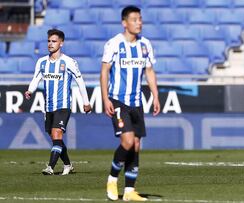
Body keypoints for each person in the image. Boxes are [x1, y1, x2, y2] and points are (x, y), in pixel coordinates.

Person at [100, 5, 160, 201]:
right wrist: (105, 98)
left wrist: (156, 96)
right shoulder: (114, 44)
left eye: (140, 19)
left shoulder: (145, 44)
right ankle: (111, 179)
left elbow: (149, 71)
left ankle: (129, 191)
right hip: (118, 100)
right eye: (135, 19)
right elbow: (104, 71)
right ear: (124, 23)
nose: (139, 23)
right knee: (126, 141)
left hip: (137, 102)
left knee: (135, 145)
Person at [25, 29, 92, 175]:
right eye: (49, 41)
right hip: (48, 107)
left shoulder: (69, 62)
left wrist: (86, 102)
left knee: (57, 134)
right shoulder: (42, 62)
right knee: (55, 138)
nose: (50, 44)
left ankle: (50, 167)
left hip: (63, 106)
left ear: (61, 43)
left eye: (54, 41)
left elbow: (80, 82)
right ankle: (68, 165)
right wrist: (30, 90)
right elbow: (36, 78)